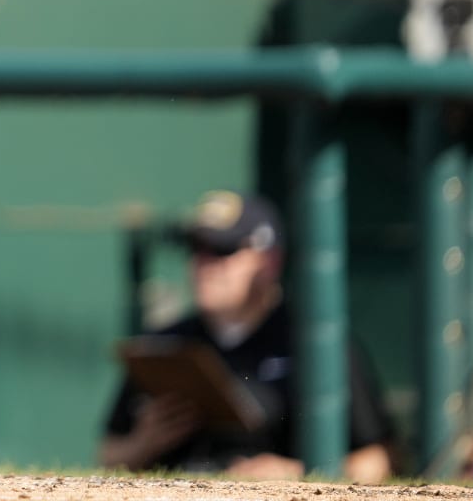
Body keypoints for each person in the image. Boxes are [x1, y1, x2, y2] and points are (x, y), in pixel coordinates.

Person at [98, 190, 393, 482]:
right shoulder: (163, 344)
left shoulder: (319, 345)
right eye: (195, 249)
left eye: (222, 250)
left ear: (269, 262)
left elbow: (380, 460)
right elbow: (107, 454)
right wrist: (144, 442)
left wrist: (295, 473)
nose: (204, 264)